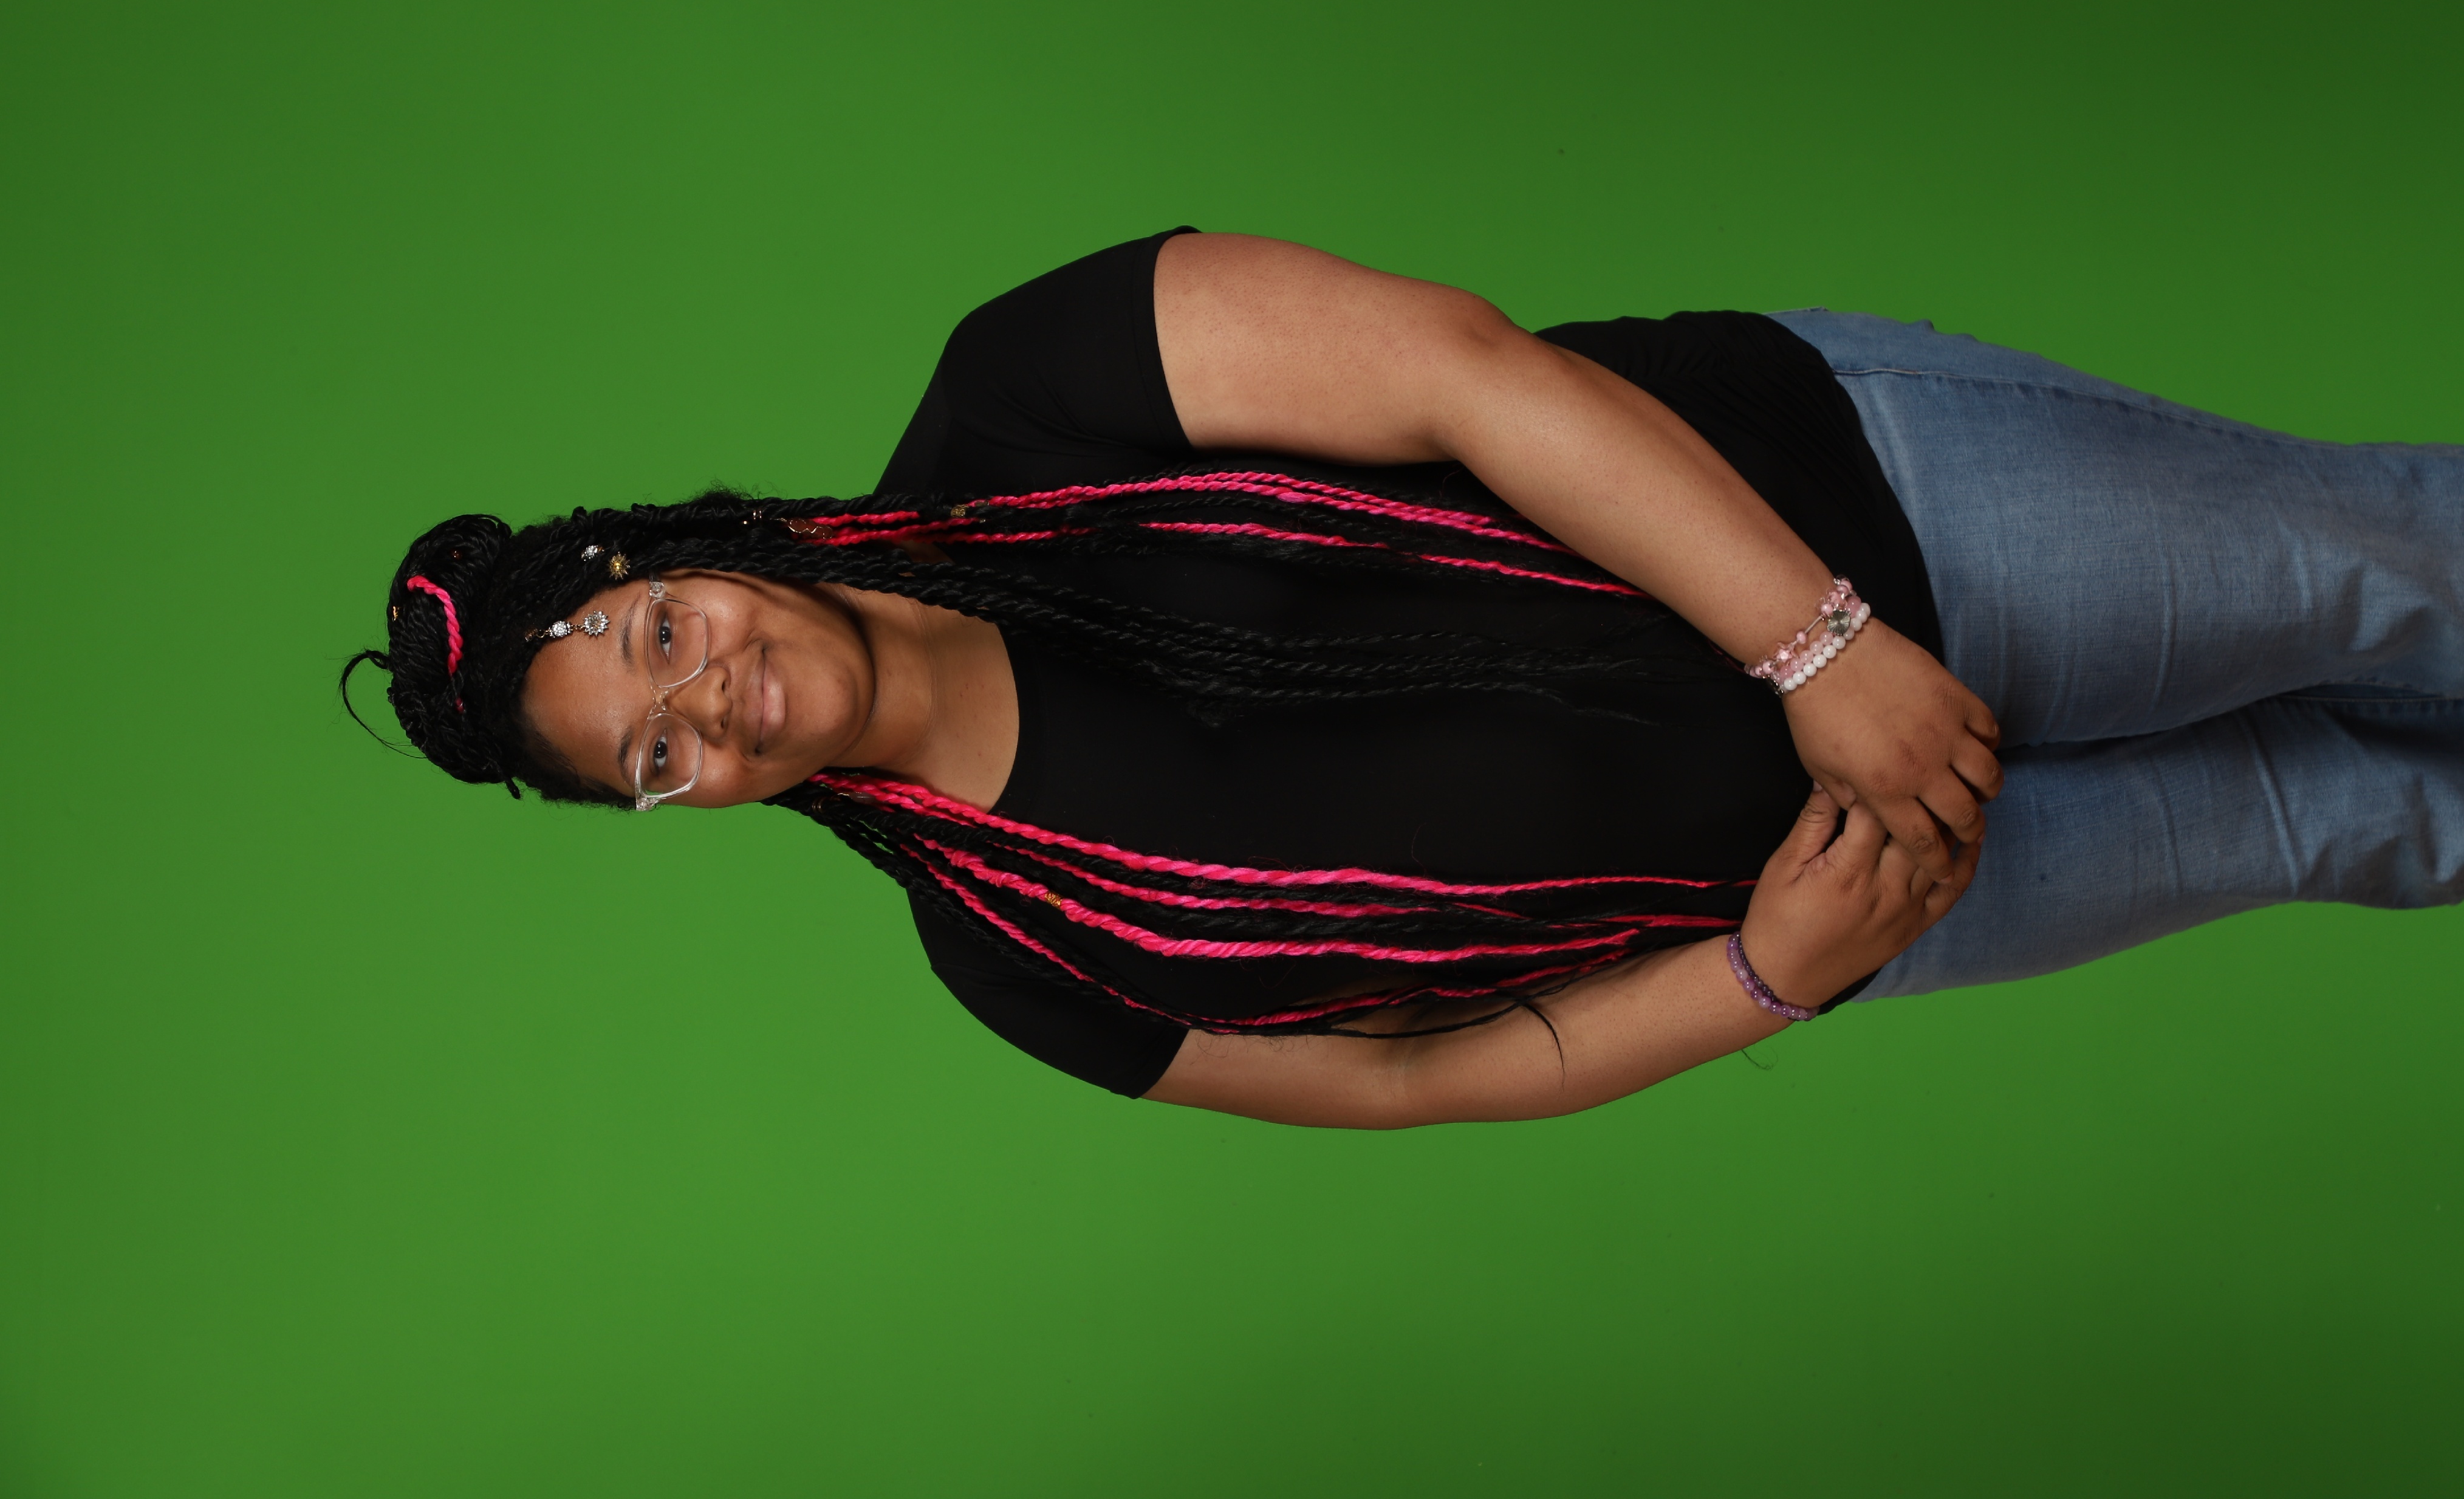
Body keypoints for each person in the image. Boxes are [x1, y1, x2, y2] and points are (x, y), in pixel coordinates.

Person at [346, 228, 2464, 1128]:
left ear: (674, 554)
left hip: (1872, 523)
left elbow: (1466, 372)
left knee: (2394, 580)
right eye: (656, 760)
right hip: (1873, 887)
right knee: (2356, 823)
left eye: (660, 639)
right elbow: (1412, 1080)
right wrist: (1777, 974)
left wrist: (1821, 648)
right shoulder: (1018, 962)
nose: (710, 706)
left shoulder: (1026, 393)